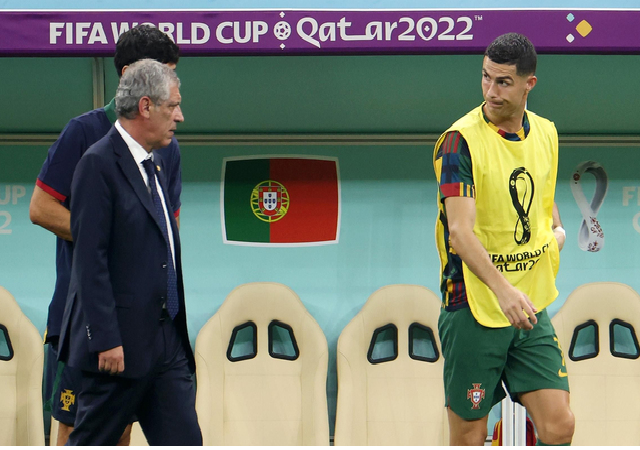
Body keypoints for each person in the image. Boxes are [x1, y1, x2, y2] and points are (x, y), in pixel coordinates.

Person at [29, 25, 182, 446]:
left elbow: (169, 228)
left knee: (121, 432)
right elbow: (41, 208)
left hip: (143, 324)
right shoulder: (83, 132)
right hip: (83, 317)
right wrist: (112, 238)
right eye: (163, 72)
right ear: (130, 75)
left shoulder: (167, 147)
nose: (172, 86)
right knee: (77, 430)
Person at [433, 33, 574, 446]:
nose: (490, 91)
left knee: (559, 425)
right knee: (470, 433)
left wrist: (555, 231)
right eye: (485, 77)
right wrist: (504, 292)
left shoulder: (546, 133)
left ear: (530, 83)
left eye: (503, 82)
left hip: (529, 304)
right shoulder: (459, 141)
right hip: (473, 304)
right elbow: (459, 233)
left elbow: (542, 197)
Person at [57, 59, 201, 446]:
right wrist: (105, 338)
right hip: (118, 347)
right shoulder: (97, 164)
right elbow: (90, 260)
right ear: (145, 107)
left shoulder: (157, 162)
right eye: (173, 106)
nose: (180, 117)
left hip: (166, 341)